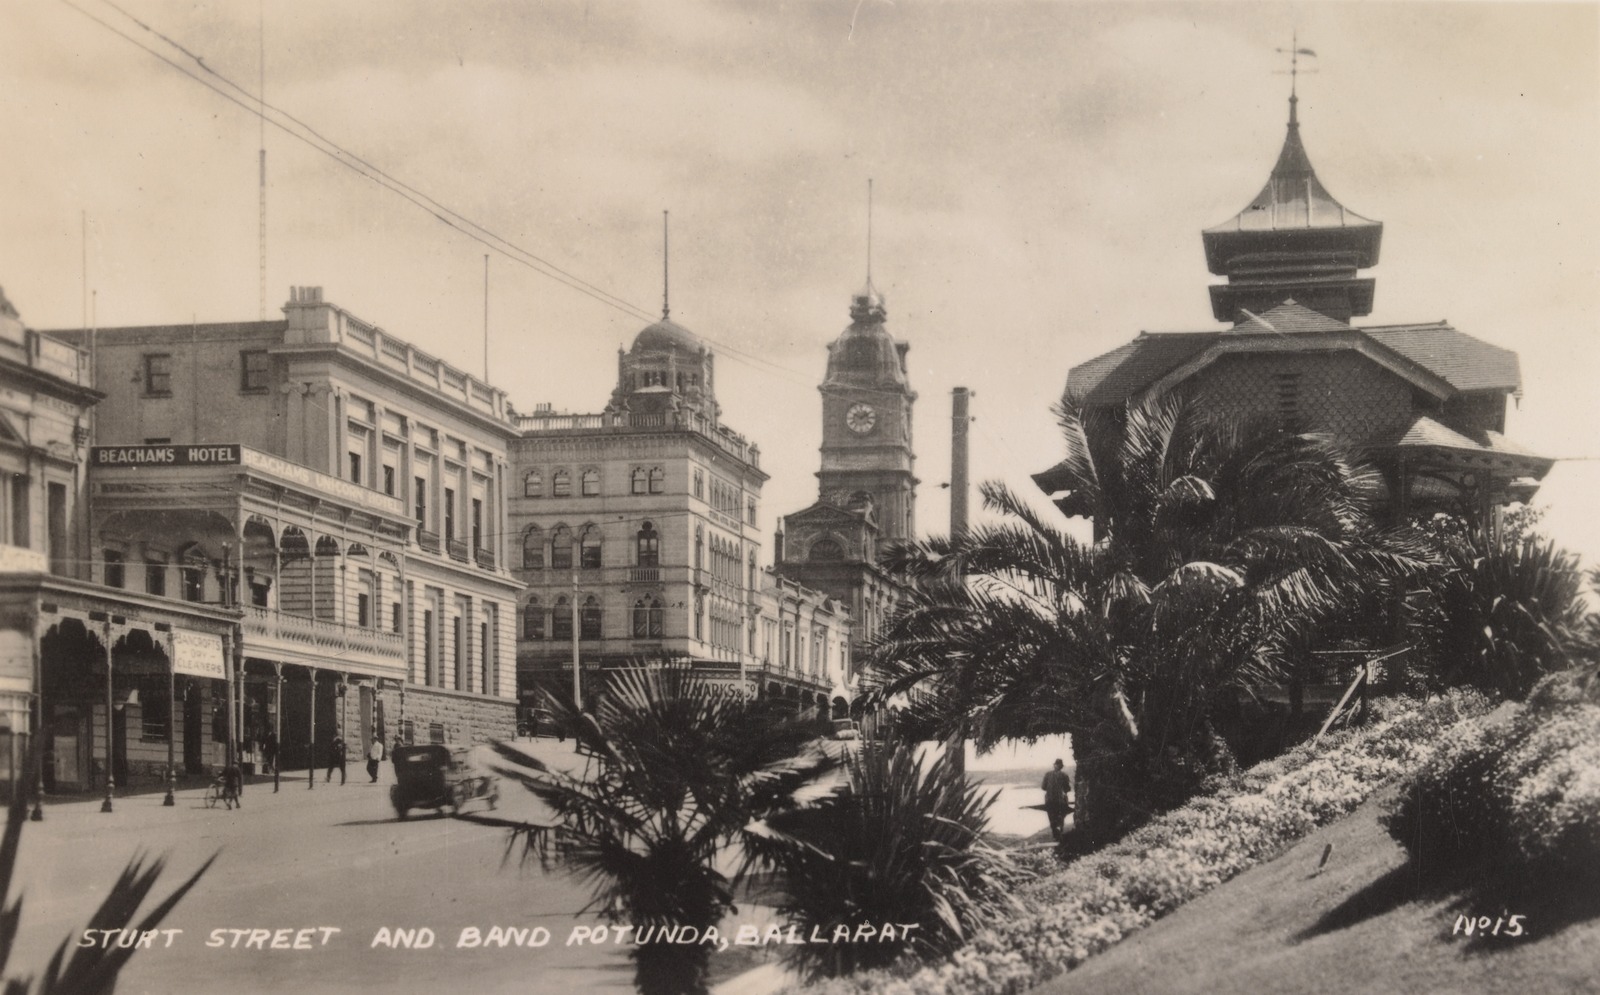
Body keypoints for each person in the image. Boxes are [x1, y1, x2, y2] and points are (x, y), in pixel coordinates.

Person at [1041, 758, 1073, 840]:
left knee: (1052, 818)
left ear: (1054, 765)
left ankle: (1055, 834)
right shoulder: (1064, 775)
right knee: (1061, 817)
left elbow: (1043, 787)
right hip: (1060, 801)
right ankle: (1060, 832)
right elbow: (1067, 789)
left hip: (1049, 801)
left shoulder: (1047, 774)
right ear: (1061, 767)